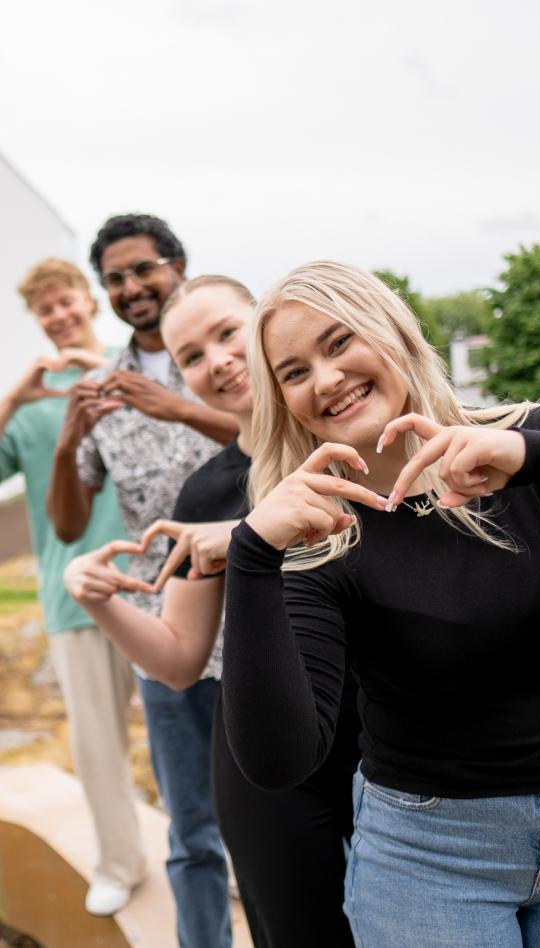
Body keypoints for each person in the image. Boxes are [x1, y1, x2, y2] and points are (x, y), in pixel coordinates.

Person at [220, 260, 540, 947]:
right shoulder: (316, 537)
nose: (324, 379)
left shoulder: (536, 439)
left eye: (338, 342)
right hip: (433, 857)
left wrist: (536, 456)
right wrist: (252, 557)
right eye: (293, 372)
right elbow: (277, 760)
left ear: (393, 333)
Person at [63, 274, 360, 947]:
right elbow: (177, 659)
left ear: (261, 327)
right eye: (191, 357)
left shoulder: (350, 435)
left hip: (393, 739)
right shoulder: (206, 490)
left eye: (227, 333)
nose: (218, 360)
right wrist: (100, 599)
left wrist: (248, 539)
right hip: (266, 752)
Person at [48, 216, 236, 948]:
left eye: (143, 270)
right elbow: (67, 525)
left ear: (178, 266)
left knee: (295, 815)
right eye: (115, 279)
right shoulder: (99, 388)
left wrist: (180, 407)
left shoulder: (233, 360)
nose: (131, 288)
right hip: (166, 637)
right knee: (191, 830)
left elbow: (278, 447)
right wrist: (68, 444)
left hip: (260, 621)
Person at [0, 258, 145, 916]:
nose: (59, 316)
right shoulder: (30, 402)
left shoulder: (135, 366)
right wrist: (13, 400)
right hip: (70, 596)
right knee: (95, 746)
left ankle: (221, 859)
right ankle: (121, 863)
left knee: (200, 739)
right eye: (45, 310)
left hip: (155, 583)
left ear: (87, 301)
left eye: (65, 302)